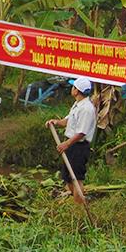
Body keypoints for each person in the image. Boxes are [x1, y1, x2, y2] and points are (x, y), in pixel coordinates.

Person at [46, 77, 96, 205]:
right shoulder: (77, 105)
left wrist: (66, 144)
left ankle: (80, 206)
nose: (71, 89)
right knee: (68, 177)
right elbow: (68, 120)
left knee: (76, 178)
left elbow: (81, 132)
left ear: (77, 91)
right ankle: (77, 202)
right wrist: (56, 122)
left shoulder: (86, 108)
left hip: (78, 146)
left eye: (73, 87)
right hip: (71, 145)